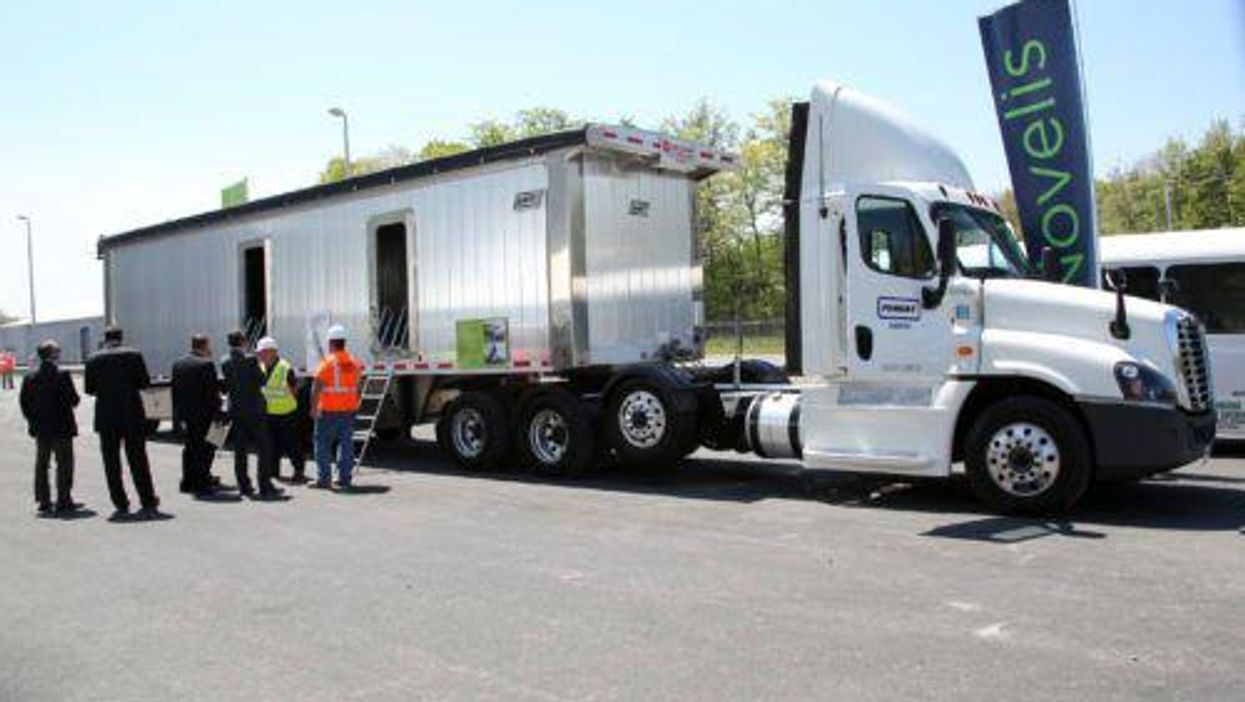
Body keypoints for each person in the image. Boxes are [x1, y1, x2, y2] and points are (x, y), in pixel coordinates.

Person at [84, 326, 161, 520]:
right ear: (121, 338)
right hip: (132, 415)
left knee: (111, 462)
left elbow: (89, 389)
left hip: (106, 417)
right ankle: (147, 499)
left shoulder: (93, 359)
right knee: (138, 459)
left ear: (105, 338)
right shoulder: (134, 355)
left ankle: (120, 502)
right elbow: (144, 383)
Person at [19, 340, 82, 515]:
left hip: (41, 428)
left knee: (42, 464)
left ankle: (44, 501)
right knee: (64, 464)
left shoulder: (30, 377)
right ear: (52, 354)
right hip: (62, 428)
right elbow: (74, 400)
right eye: (58, 350)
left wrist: (32, 421)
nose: (60, 353)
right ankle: (64, 499)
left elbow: (24, 404)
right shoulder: (62, 375)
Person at [221, 330, 282, 500]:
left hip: (237, 411)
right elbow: (262, 380)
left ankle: (244, 486)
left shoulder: (224, 361)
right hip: (255, 410)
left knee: (240, 450)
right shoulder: (250, 360)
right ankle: (264, 485)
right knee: (264, 448)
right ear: (243, 342)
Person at [311, 325, 362, 490]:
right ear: (344, 342)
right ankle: (344, 479)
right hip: (348, 411)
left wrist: (313, 407)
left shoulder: (326, 363)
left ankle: (324, 479)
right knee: (346, 444)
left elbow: (316, 387)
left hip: (328, 411)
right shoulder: (354, 363)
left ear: (331, 343)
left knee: (322, 445)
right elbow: (357, 386)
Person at [171, 334, 222, 495]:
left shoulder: (178, 364)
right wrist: (218, 411)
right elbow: (212, 393)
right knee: (205, 448)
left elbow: (175, 391)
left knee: (190, 447)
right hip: (204, 414)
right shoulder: (207, 364)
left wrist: (178, 413)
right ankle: (201, 482)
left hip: (186, 414)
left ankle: (186, 482)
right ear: (204, 346)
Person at [256, 336, 306, 483]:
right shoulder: (262, 367)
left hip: (287, 413)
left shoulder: (285, 367)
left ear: (272, 351)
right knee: (272, 445)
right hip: (270, 414)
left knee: (292, 444)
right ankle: (273, 472)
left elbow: (293, 390)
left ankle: (299, 471)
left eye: (262, 352)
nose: (259, 355)